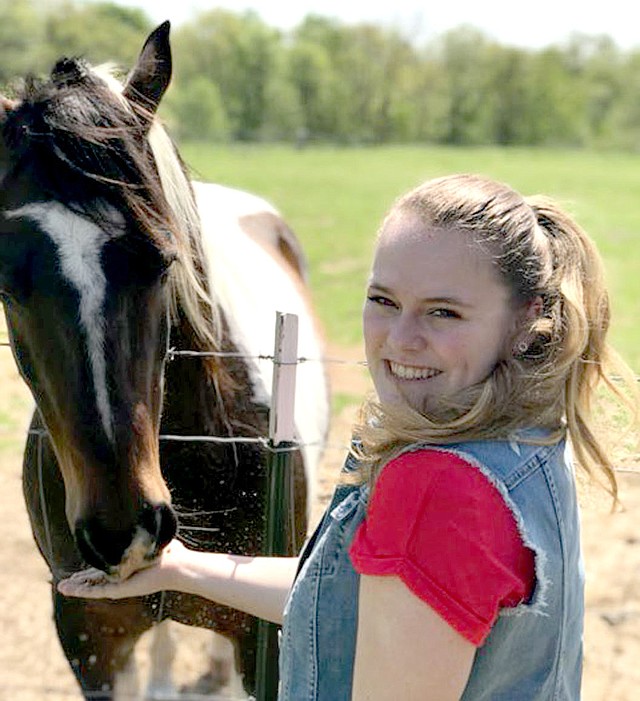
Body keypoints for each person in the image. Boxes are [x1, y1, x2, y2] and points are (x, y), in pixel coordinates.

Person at [58, 173, 638, 700]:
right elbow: (355, 605)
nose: (400, 339)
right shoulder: (526, 441)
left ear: (522, 319)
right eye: (383, 301)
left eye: (443, 313)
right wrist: (182, 567)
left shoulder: (436, 487)